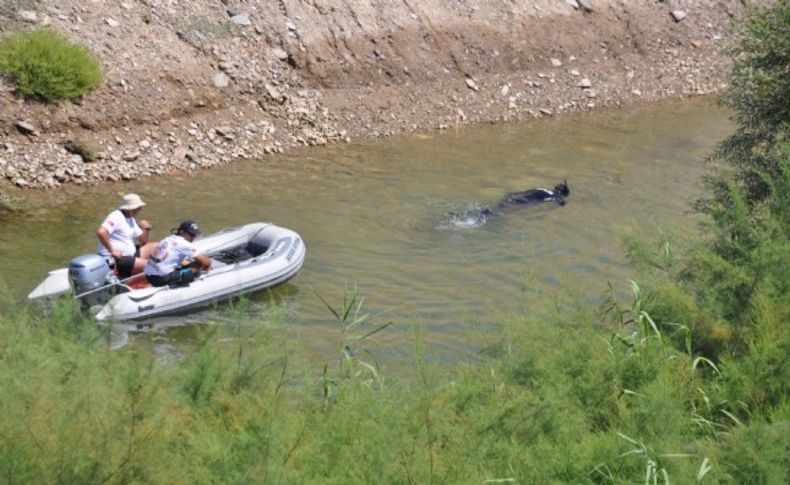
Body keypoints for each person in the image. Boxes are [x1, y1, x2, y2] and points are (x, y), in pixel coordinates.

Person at [97, 193, 156, 279]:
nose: (140, 209)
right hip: (113, 259)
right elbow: (101, 232)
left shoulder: (130, 218)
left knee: (158, 246)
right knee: (153, 267)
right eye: (138, 207)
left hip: (128, 255)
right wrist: (112, 251)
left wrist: (146, 229)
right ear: (131, 208)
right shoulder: (116, 217)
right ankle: (138, 280)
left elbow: (143, 241)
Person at [144, 220, 211, 287]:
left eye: (194, 234)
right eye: (191, 234)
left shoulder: (169, 238)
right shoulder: (184, 244)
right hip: (160, 280)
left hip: (148, 275)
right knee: (199, 265)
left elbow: (174, 259)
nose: (193, 237)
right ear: (182, 232)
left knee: (188, 262)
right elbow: (206, 262)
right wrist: (206, 265)